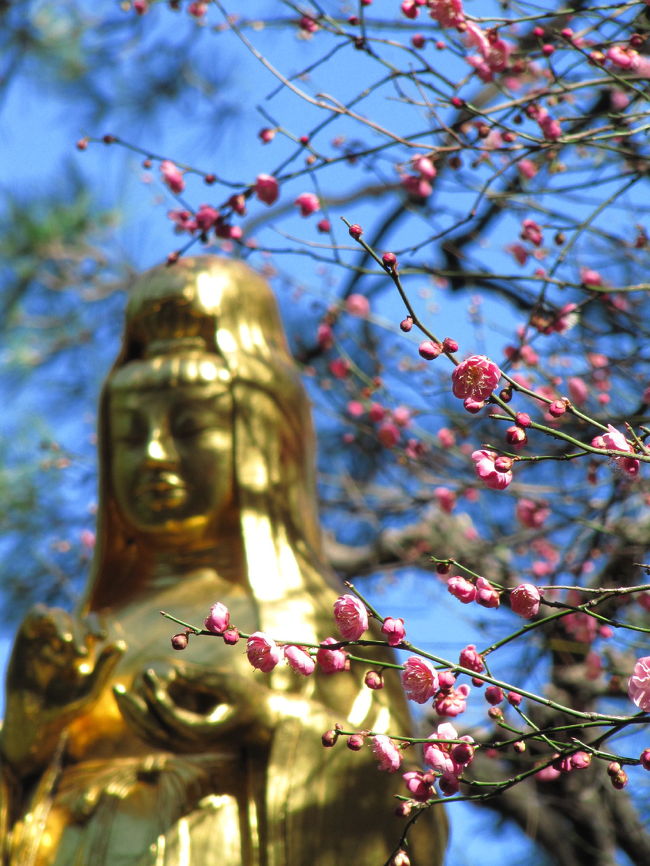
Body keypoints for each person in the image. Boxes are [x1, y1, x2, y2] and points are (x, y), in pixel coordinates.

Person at [1, 256, 445, 865]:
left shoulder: (322, 625)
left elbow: (405, 814)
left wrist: (270, 722)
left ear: (259, 439)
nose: (155, 455)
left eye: (188, 427)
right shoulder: (86, 639)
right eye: (131, 435)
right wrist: (27, 734)